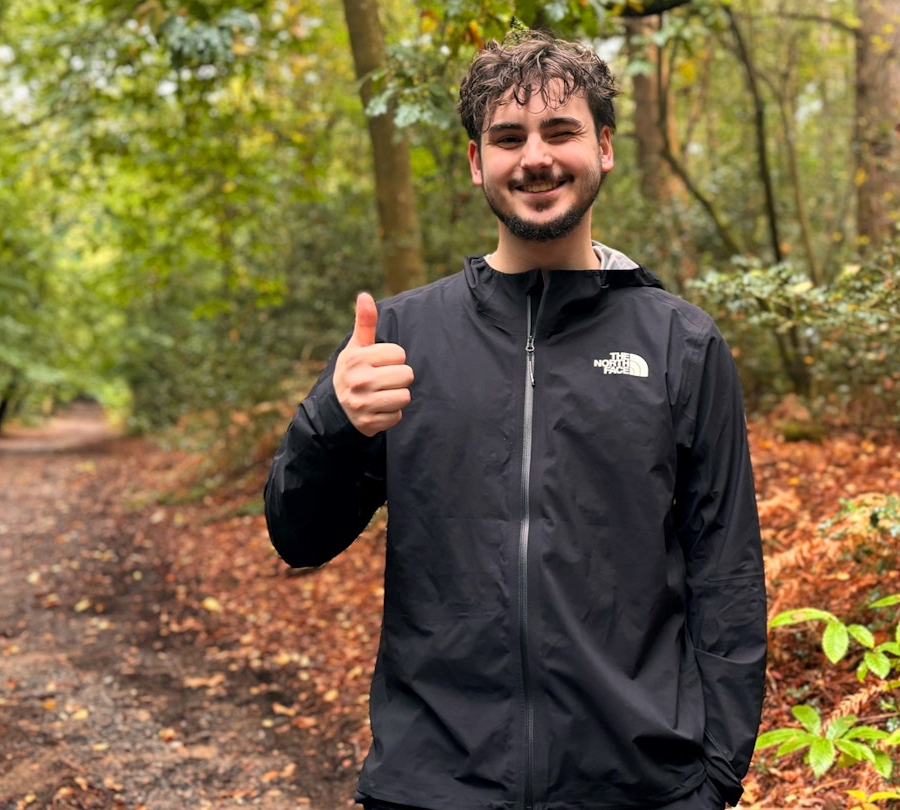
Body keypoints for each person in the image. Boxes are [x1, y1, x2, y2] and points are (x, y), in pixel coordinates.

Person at [264, 29, 766, 810]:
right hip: (433, 785)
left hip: (636, 787)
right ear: (477, 163)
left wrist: (718, 777)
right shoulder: (402, 340)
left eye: (560, 131)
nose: (535, 157)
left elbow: (727, 574)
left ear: (603, 148)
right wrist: (331, 418)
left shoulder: (681, 344)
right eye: (508, 138)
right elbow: (299, 536)